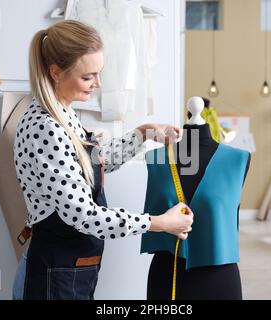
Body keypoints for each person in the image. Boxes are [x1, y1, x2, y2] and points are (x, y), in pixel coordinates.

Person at [12, 20, 193, 300]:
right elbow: (84, 215)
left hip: (68, 271)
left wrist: (143, 133)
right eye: (88, 76)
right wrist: (160, 223)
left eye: (99, 73)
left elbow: (94, 162)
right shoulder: (45, 127)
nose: (97, 84)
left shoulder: (64, 115)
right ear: (56, 72)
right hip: (53, 277)